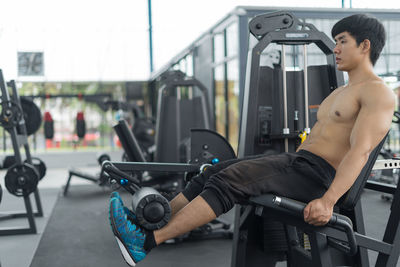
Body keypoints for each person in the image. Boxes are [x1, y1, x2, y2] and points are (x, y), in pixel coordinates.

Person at [108, 13, 394, 266]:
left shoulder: (377, 92)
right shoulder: (340, 92)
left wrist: (328, 201)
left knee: (231, 180)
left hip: (318, 176)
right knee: (215, 171)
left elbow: (361, 150)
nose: (336, 48)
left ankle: (145, 243)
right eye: (335, 41)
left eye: (342, 41)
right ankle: (150, 221)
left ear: (365, 45)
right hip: (300, 163)